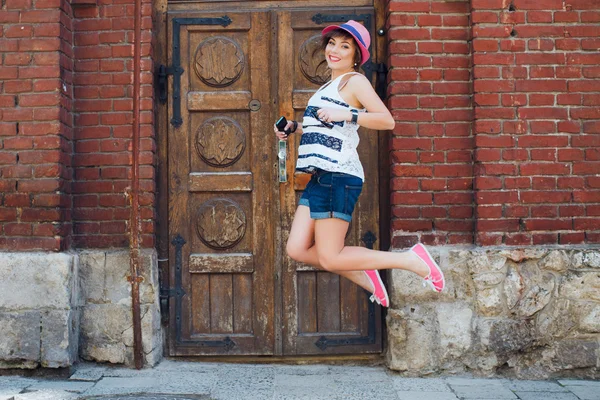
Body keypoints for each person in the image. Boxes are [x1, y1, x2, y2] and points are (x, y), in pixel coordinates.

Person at [274, 20, 444, 307]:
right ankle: (368, 277)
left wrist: (348, 115)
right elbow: (329, 129)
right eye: (332, 43)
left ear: (356, 55)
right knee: (297, 249)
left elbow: (386, 120)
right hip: (321, 176)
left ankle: (412, 260)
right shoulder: (330, 85)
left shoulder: (356, 81)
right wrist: (294, 127)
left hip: (339, 175)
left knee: (330, 256)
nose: (335, 50)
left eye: (345, 46)